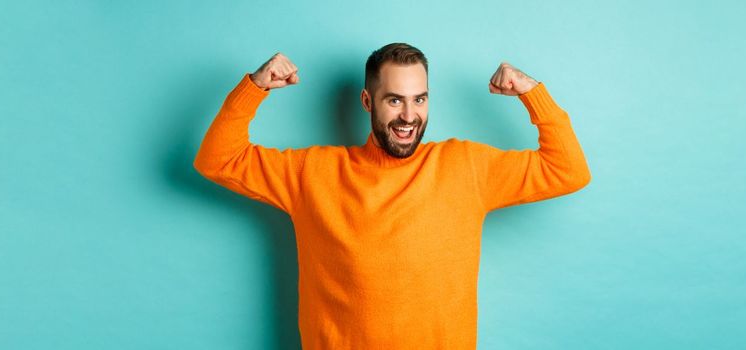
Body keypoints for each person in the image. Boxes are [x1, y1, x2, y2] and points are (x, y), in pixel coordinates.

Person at [194, 42, 590, 349]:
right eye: (394, 99)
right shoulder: (311, 173)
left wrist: (531, 92)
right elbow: (218, 159)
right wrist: (254, 87)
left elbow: (568, 170)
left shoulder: (466, 166)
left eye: (419, 99)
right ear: (368, 102)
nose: (408, 115)